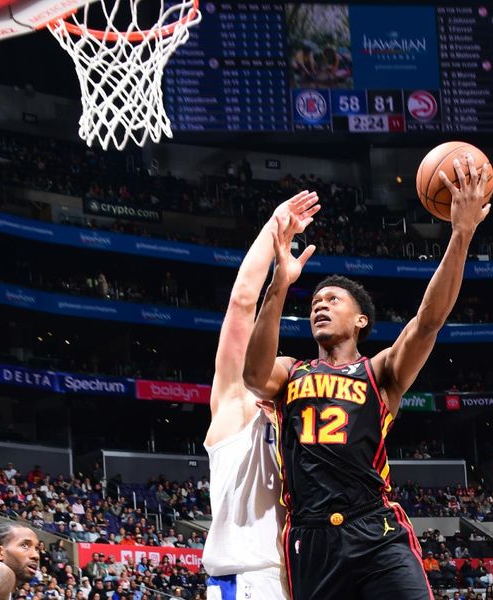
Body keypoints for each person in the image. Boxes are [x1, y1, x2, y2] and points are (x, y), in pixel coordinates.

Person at [243, 153, 492, 599]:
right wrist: (281, 282)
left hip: (374, 527)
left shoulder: (380, 371)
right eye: (316, 300)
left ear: (361, 321)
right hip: (310, 534)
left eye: (334, 299)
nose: (320, 304)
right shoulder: (290, 372)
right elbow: (253, 375)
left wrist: (462, 232)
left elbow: (428, 320)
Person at [202, 191, 320, 600]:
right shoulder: (237, 404)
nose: (281, 365)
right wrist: (274, 231)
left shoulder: (300, 430)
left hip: (293, 578)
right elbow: (240, 303)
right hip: (247, 576)